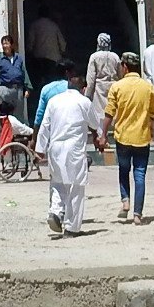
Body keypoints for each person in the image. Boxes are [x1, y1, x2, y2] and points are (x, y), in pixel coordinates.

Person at [35, 72, 103, 237]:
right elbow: (94, 123)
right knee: (76, 186)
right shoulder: (83, 101)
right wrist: (99, 137)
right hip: (74, 148)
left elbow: (44, 126)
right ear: (83, 88)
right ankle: (71, 228)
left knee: (57, 183)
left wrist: (40, 148)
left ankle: (56, 211)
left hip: (55, 147)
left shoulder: (54, 101)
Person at [102, 52, 154, 225]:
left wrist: (103, 134)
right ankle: (137, 214)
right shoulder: (148, 87)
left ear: (125, 66)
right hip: (142, 137)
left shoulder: (117, 87)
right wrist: (151, 131)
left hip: (123, 137)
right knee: (140, 175)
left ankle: (125, 201)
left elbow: (109, 113)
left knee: (123, 171)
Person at [0, 35, 31, 120]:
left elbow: (24, 73)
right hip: (5, 89)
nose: (5, 46)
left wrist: (27, 88)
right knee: (5, 116)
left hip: (18, 90)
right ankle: (6, 133)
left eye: (7, 43)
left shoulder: (18, 58)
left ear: (12, 45)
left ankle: (17, 133)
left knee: (18, 116)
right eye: (3, 44)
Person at [85, 34, 122, 119]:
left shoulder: (94, 57)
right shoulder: (115, 56)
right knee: (113, 113)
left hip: (99, 90)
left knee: (100, 115)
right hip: (113, 87)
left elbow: (91, 79)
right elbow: (120, 75)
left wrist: (88, 95)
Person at [27, 12, 69, 84]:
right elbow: (61, 42)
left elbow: (31, 41)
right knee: (51, 80)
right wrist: (63, 51)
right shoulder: (54, 26)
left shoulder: (34, 25)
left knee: (39, 80)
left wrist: (29, 51)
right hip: (52, 58)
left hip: (38, 57)